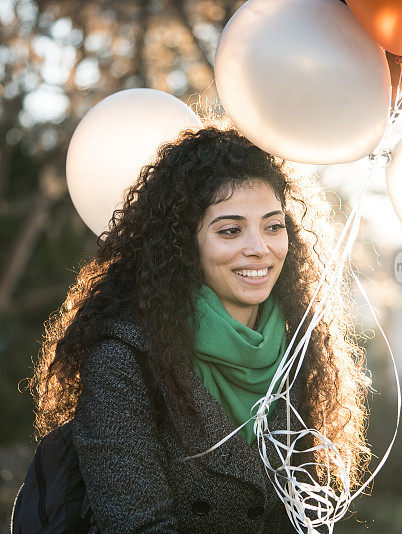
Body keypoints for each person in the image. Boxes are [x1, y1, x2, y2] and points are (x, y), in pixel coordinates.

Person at [30, 127, 371, 533]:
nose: (259, 247)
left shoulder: (301, 348)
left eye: (273, 226)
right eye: (230, 230)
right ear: (184, 244)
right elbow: (138, 526)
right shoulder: (123, 359)